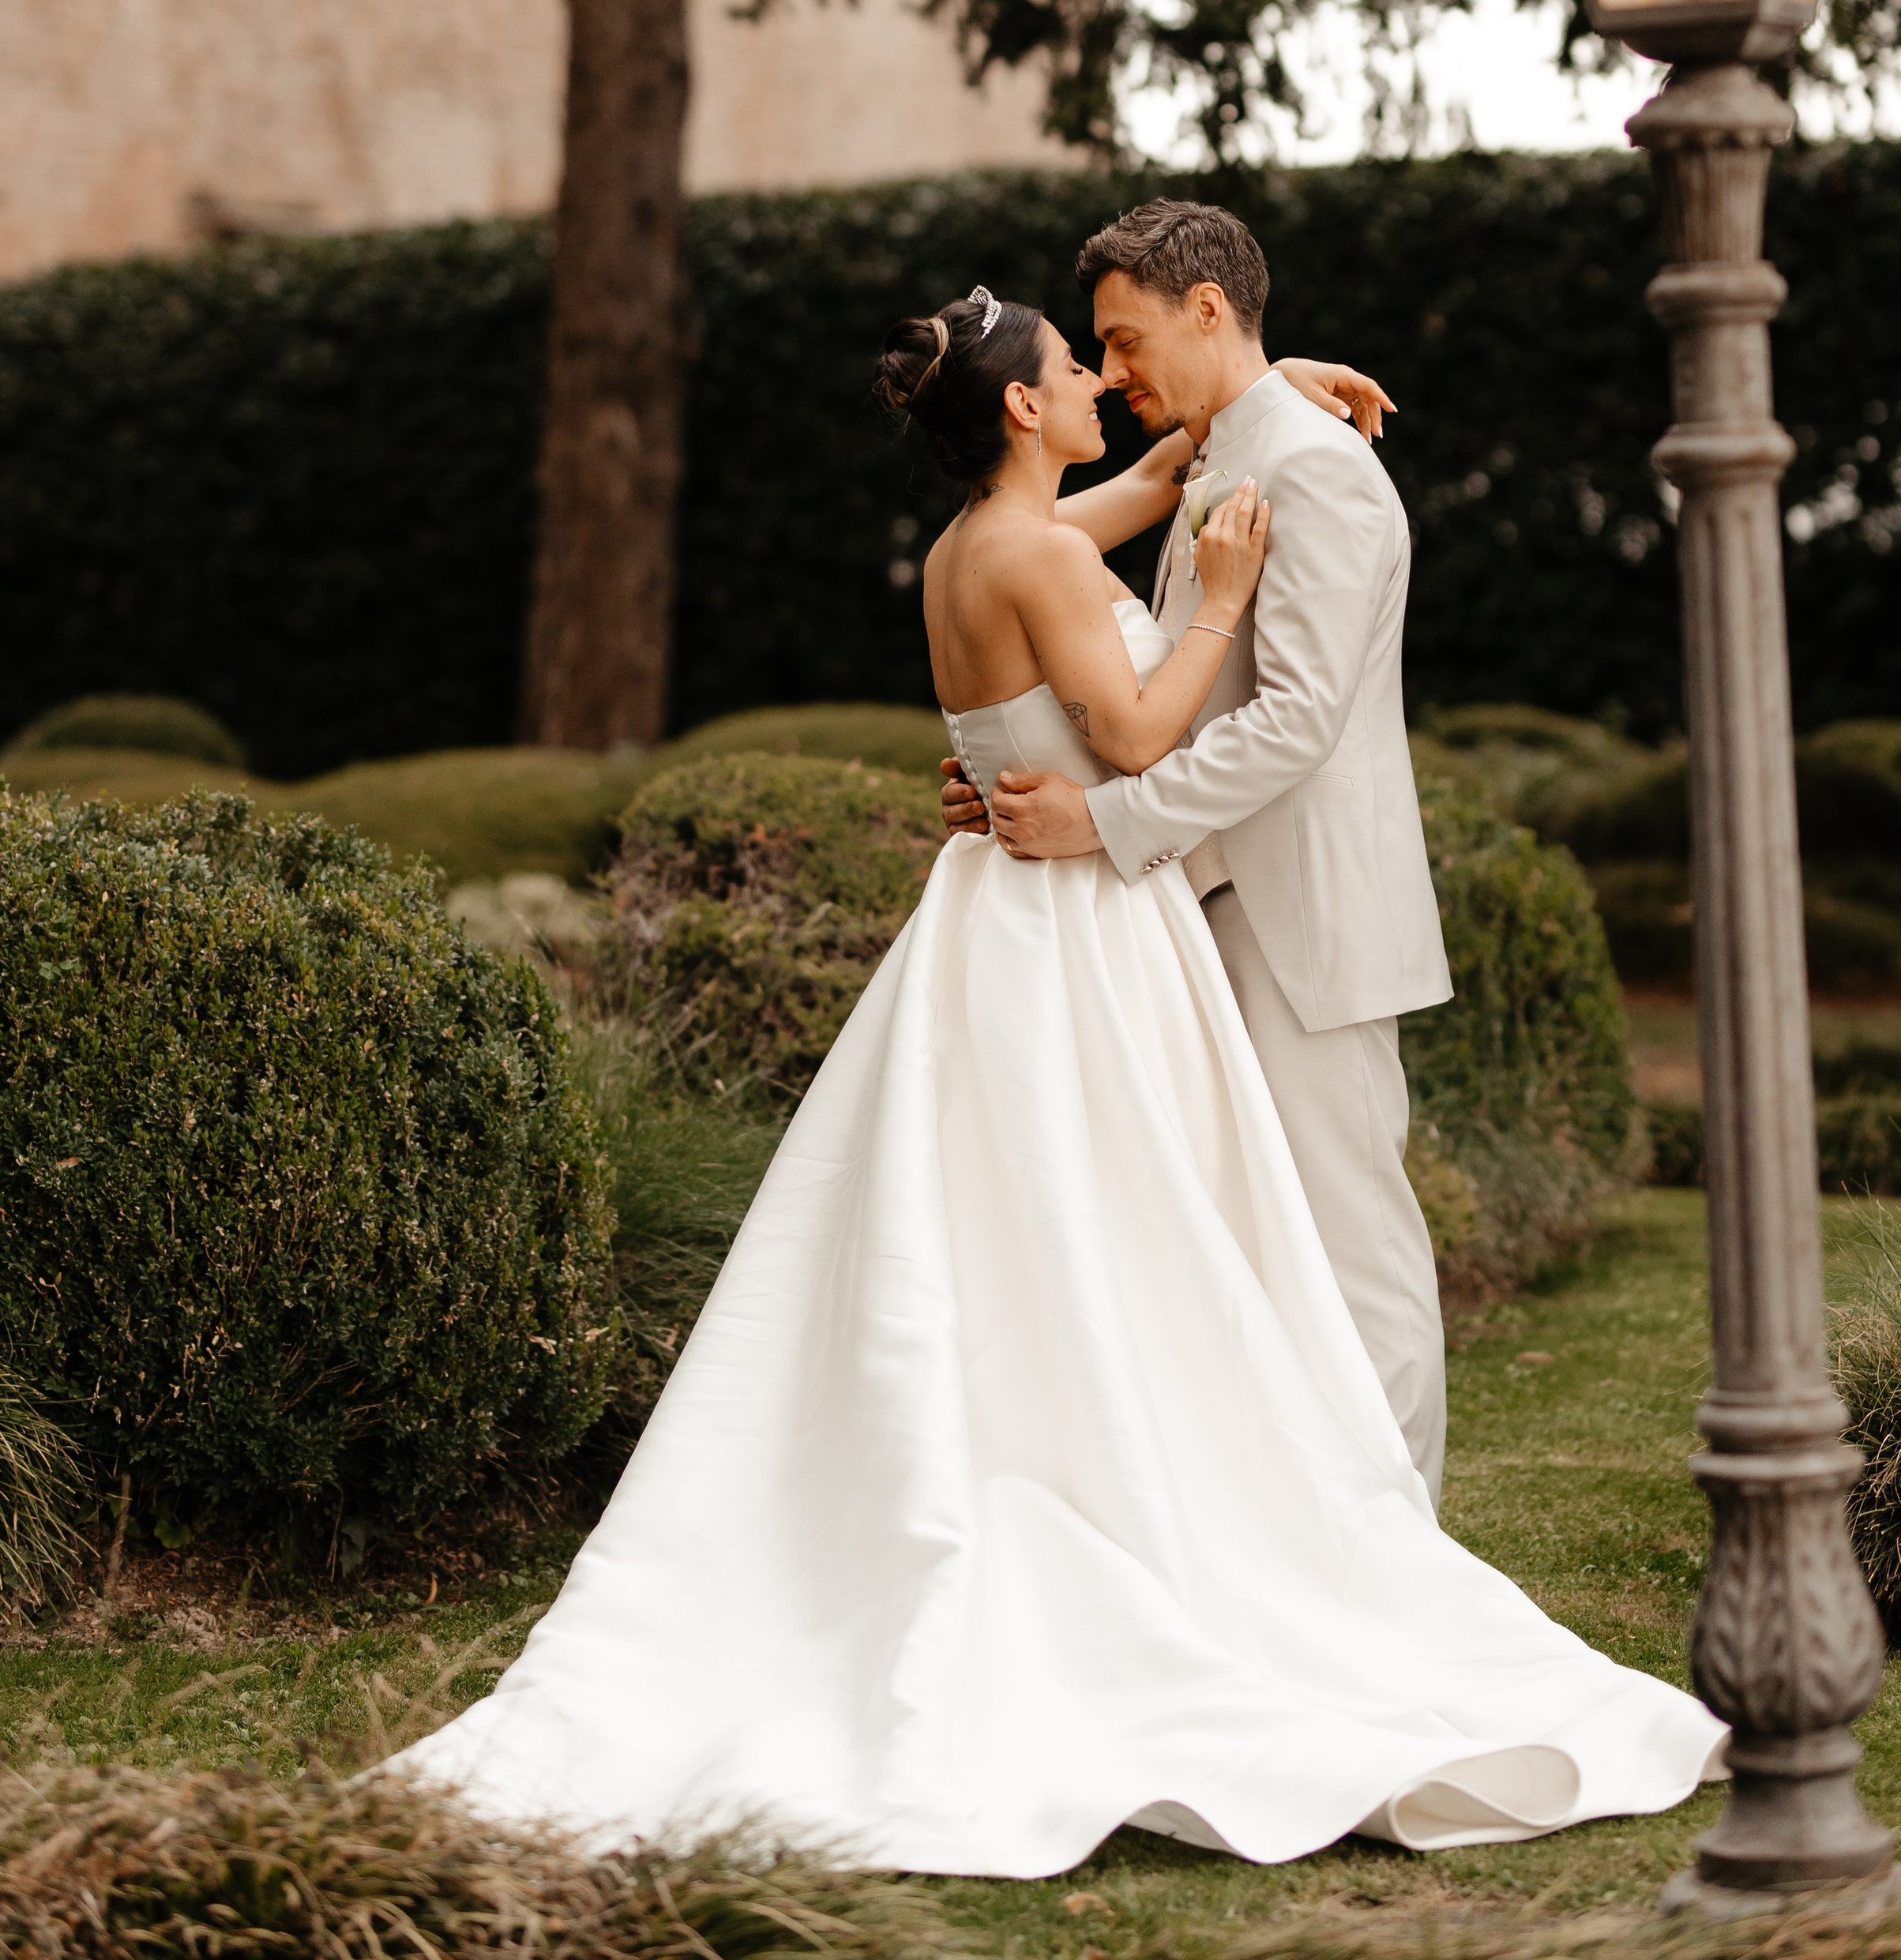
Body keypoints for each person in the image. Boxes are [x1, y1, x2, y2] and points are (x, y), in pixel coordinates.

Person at [381, 285, 1723, 1875]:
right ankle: (1217, 1548)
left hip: (997, 922)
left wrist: (1254, 395)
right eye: (1074, 364)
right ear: (1022, 406)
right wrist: (1217, 597)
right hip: (1084, 924)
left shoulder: (975, 546)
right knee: (1141, 1240)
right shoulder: (1031, 557)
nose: (1100, 379)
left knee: (1035, 1237)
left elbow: (1129, 495)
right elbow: (1145, 732)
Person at [941, 199, 1449, 1497]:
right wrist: (1021, 778)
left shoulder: (1318, 469)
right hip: (1199, 912)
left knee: (1351, 1254)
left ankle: (1400, 1562)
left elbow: (1295, 722)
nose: (1111, 375)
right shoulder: (1228, 449)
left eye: (1123, 342)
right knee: (1249, 1250)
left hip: (1303, 922)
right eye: (1094, 355)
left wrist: (1093, 823)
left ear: (1206, 310)